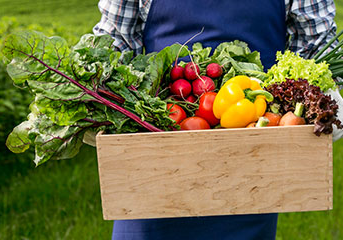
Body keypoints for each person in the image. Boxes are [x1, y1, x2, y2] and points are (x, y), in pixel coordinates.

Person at [93, 0, 341, 239]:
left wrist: (322, 99)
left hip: (253, 160)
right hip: (153, 157)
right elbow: (115, 41)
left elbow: (316, 47)